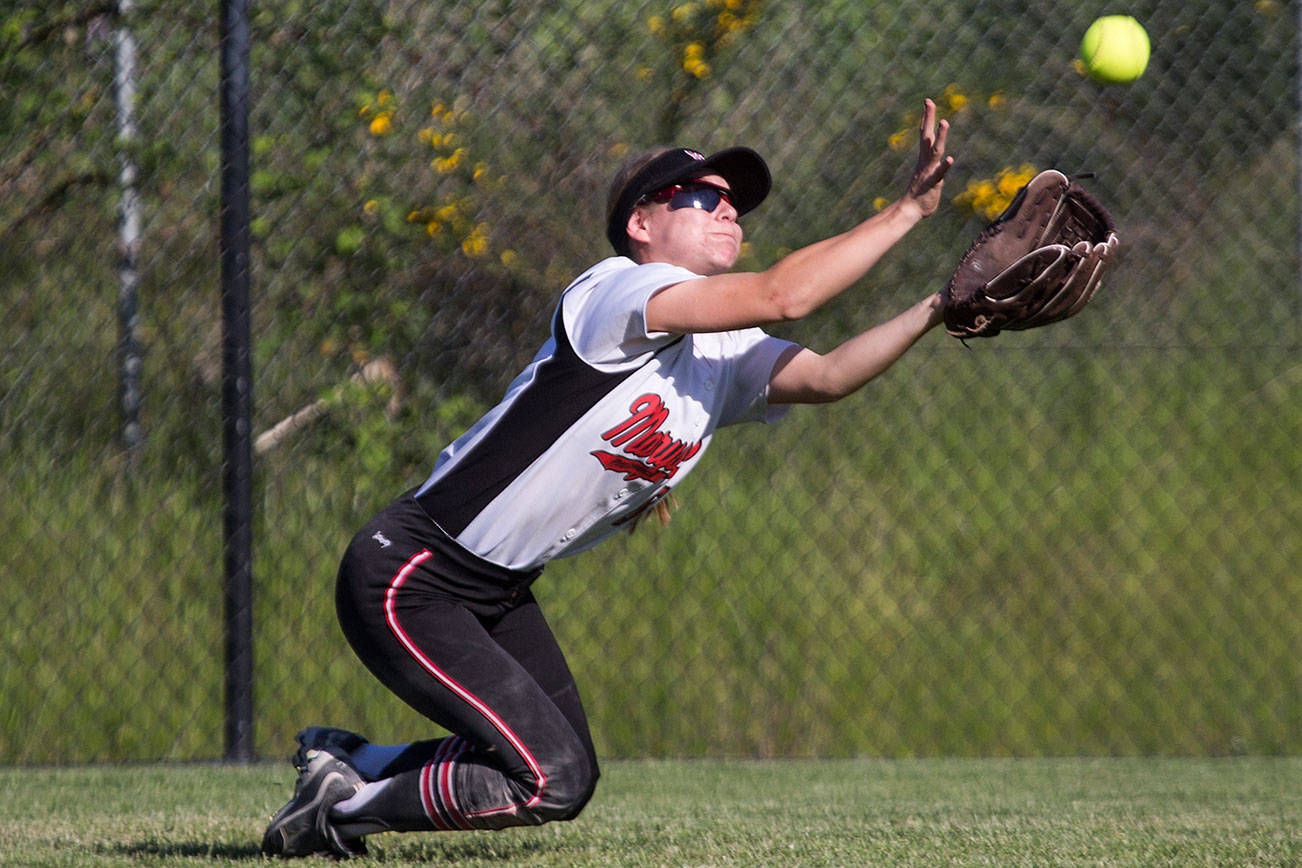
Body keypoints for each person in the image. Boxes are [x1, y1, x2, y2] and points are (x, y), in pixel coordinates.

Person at [261, 98, 954, 859]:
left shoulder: (720, 360)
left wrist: (938, 306)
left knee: (569, 777)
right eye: (702, 197)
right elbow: (787, 293)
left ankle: (351, 766)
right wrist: (907, 212)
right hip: (412, 576)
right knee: (546, 780)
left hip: (497, 589)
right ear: (641, 224)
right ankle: (336, 816)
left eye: (735, 204)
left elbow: (825, 376)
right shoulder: (616, 294)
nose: (729, 213)